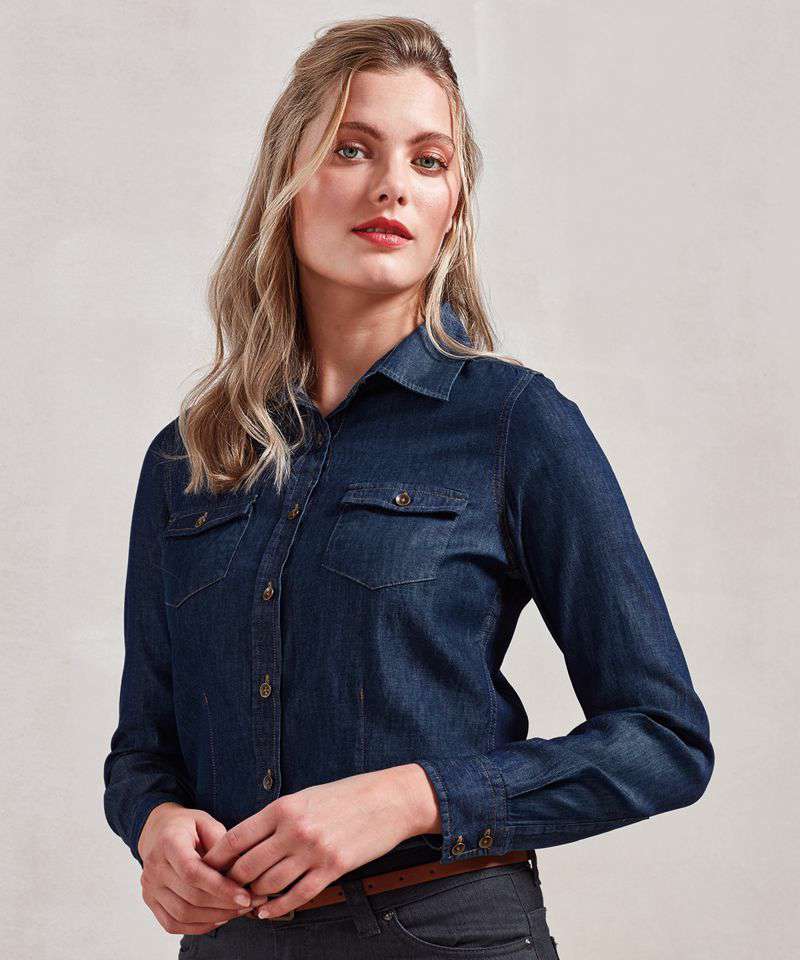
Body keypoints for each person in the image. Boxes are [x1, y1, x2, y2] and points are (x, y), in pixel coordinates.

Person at [102, 15, 714, 959]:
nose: (392, 184)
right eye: (352, 149)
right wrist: (154, 825)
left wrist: (413, 796)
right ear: (286, 180)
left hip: (442, 930)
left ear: (452, 208)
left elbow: (664, 739)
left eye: (429, 161)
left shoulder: (515, 424)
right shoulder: (189, 457)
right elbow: (143, 750)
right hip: (234, 943)